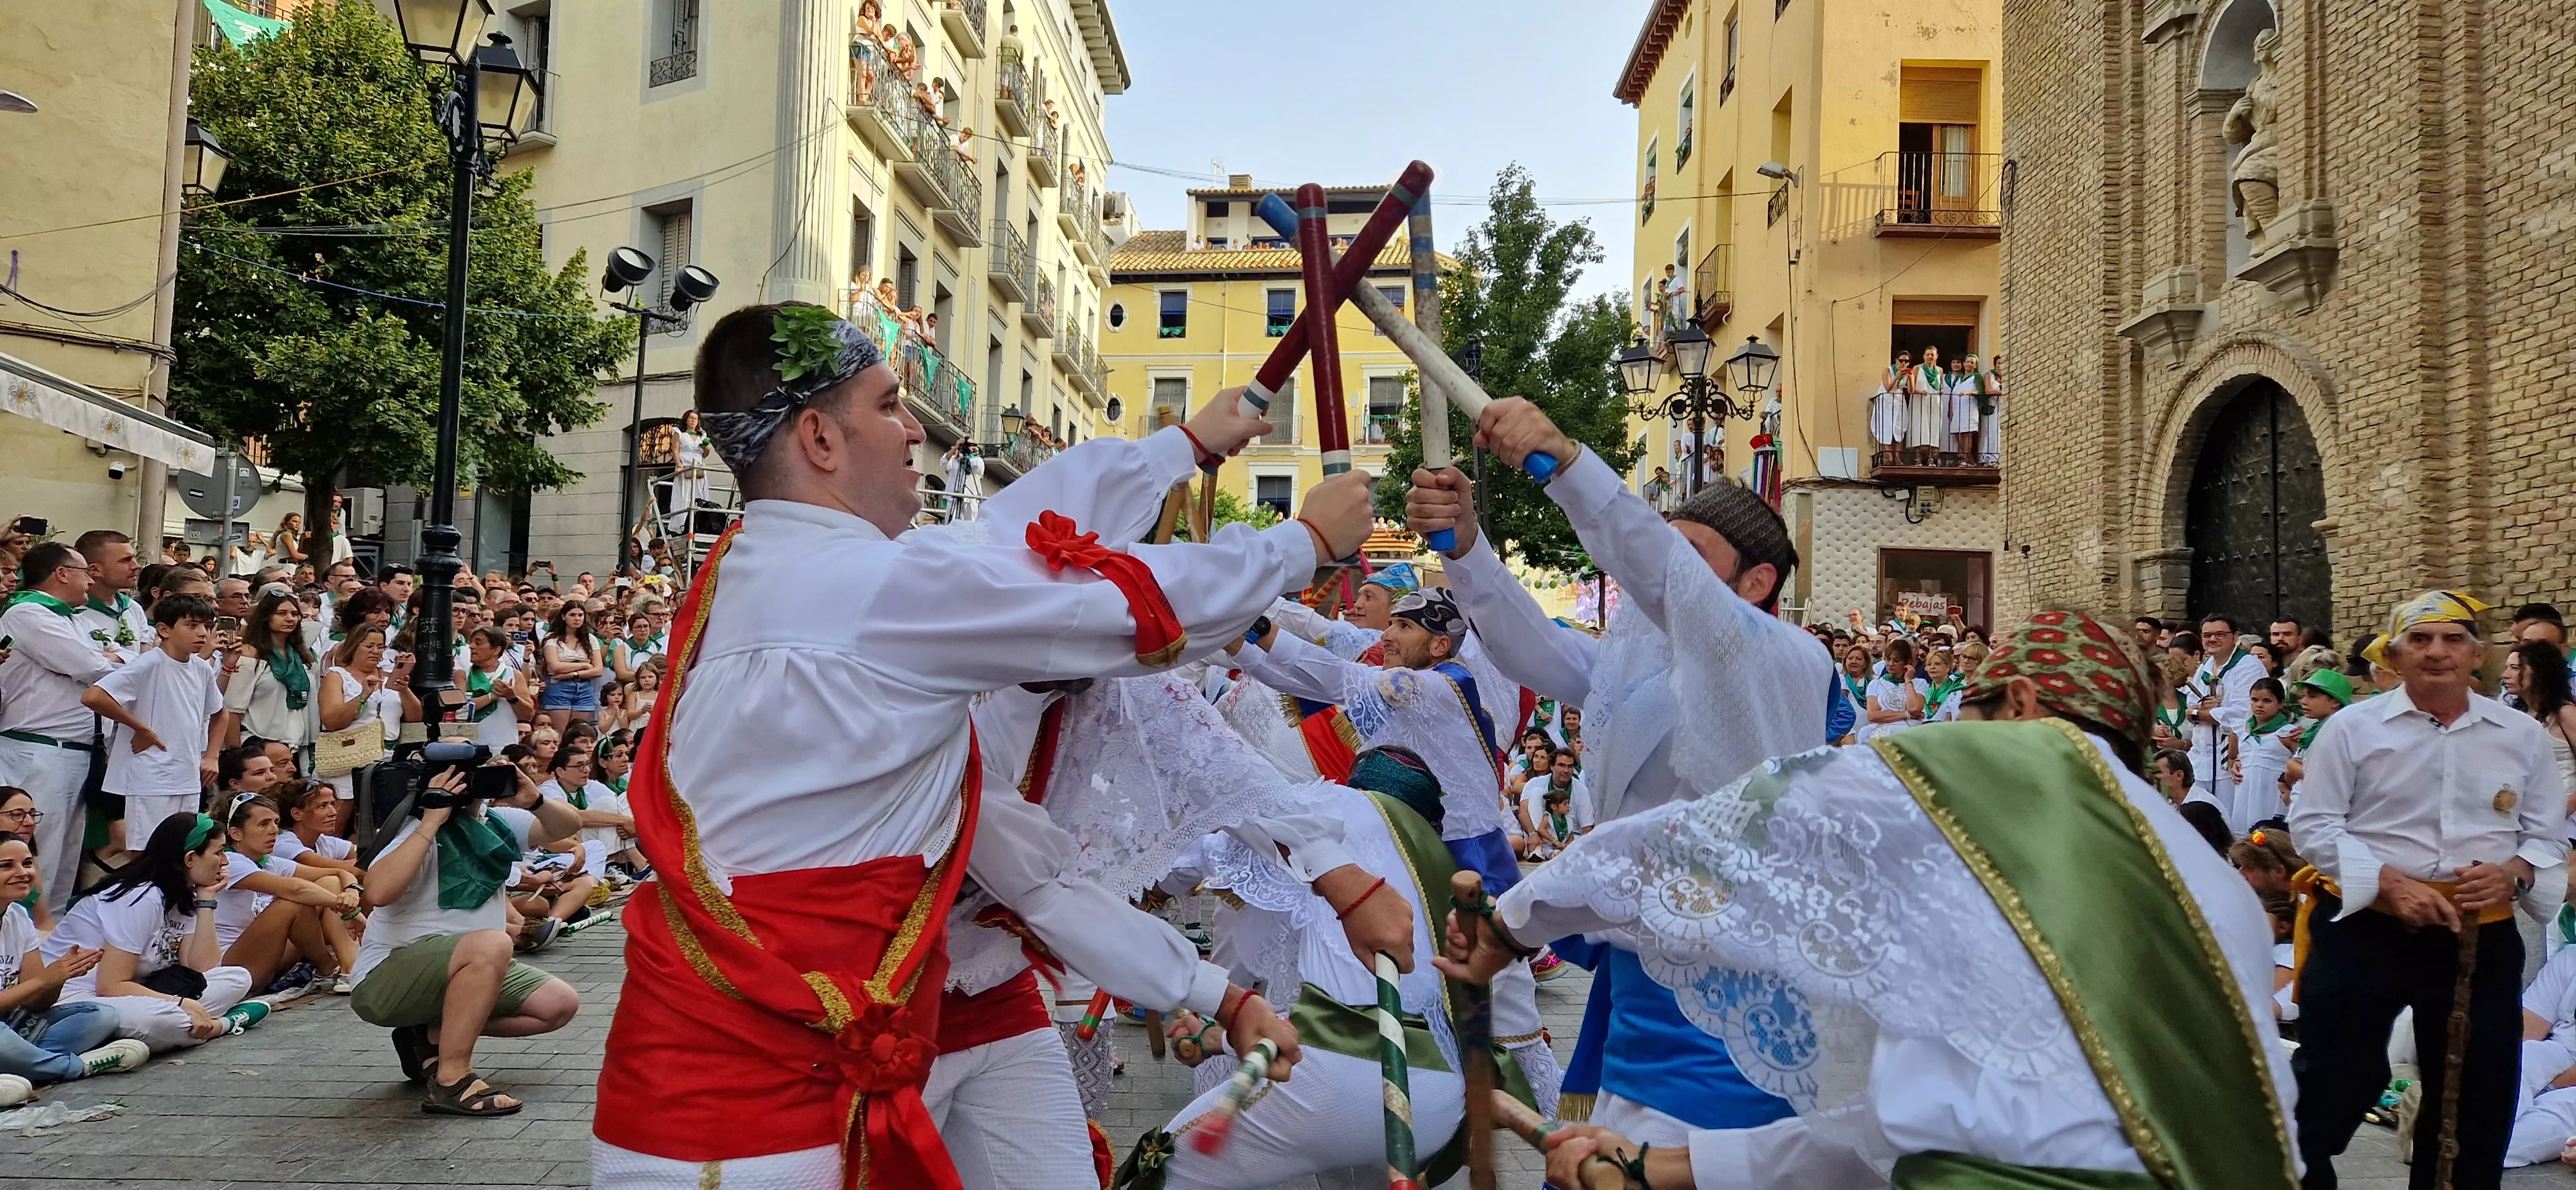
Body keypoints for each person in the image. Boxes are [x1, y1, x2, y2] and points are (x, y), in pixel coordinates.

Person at [590, 301, 1370, 1185]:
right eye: (889, 406)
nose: (917, 433)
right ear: (817, 437)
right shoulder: (876, 589)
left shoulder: (763, 569)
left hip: (761, 1050)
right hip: (741, 1110)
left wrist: (1180, 449)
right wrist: (1300, 546)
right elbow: (1123, 606)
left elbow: (1004, 539)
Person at [1443, 609, 2296, 1190]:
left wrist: (1512, 927)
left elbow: (1693, 841)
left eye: (1973, 708)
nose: (1959, 732)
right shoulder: (2207, 875)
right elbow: (1895, 1131)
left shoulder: (1982, 783)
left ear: (2024, 707)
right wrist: (1656, 1169)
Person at [1406, 397, 1829, 1146]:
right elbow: (1530, 647)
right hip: (1638, 978)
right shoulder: (1641, 666)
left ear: (1757, 583)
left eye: (1690, 559)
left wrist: (1562, 464)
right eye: (1666, 550)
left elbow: (1658, 575)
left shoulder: (1789, 659)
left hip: (1734, 992)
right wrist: (1464, 547)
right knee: (1603, 1157)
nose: (1657, 577)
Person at [2289, 591, 2568, 1190]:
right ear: (2394, 654)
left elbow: (2546, 835)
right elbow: (2314, 825)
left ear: (2478, 655)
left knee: (2476, 1092)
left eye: (2452, 639)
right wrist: (2389, 884)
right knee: (2335, 1077)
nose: (2437, 652)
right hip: (2365, 925)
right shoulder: (2351, 728)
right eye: (2420, 639)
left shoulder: (2520, 736)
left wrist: (2513, 872)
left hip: (2476, 934)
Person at [352, 763, 583, 1116]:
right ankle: (452, 1080)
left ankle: (429, 1037)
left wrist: (535, 800)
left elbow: (568, 826)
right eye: (460, 770)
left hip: (468, 965)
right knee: (494, 943)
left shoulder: (495, 821)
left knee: (558, 1004)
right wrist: (431, 821)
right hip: (387, 977)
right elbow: (379, 892)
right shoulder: (415, 828)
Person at [44, 813, 256, 1053]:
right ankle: (224, 1024)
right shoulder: (141, 896)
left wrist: (206, 901)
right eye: (218, 852)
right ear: (189, 859)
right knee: (166, 1020)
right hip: (80, 998)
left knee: (238, 977)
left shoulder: (182, 894)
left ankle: (162, 1034)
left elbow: (202, 969)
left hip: (136, 992)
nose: (225, 861)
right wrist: (180, 1003)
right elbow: (111, 986)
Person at [0, 544, 113, 916]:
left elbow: (111, 658)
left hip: (76, 751)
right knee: (35, 853)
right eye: (85, 570)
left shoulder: (71, 618)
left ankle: (52, 943)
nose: (91, 578)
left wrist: (109, 659)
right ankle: (23, 943)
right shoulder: (28, 612)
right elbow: (94, 666)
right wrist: (106, 660)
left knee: (66, 856)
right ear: (61, 573)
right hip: (40, 750)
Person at [0, 832, 148, 1099]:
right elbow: (34, 986)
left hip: (12, 1027)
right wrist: (45, 980)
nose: (22, 873)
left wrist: (60, 976)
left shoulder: (19, 916)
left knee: (101, 1016)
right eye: (6, 866)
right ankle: (78, 1067)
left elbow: (36, 1002)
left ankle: (23, 1066)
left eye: (27, 863)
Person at [81, 594, 224, 847]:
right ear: (164, 630)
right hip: (151, 777)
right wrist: (139, 727)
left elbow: (219, 712)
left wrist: (212, 755)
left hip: (188, 775)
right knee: (148, 849)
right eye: (192, 626)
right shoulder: (149, 664)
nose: (202, 633)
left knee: (185, 847)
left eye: (207, 626)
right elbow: (94, 696)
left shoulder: (200, 668)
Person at [210, 791, 358, 992]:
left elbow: (339, 872)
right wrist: (350, 909)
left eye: (276, 822)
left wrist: (351, 890)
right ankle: (328, 967)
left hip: (267, 956)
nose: (274, 831)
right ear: (236, 834)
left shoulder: (269, 861)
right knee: (293, 902)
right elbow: (296, 890)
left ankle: (351, 969)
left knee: (329, 882)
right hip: (233, 968)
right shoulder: (230, 861)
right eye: (264, 824)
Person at [218, 588, 317, 771]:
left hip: (294, 747)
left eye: (295, 614)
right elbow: (232, 710)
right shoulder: (250, 654)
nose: (290, 618)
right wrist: (236, 758)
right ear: (266, 617)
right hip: (258, 747)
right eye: (281, 613)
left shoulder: (303, 655)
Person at [2187, 612, 2259, 821]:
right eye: (2207, 635)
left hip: (2229, 757)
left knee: (2228, 817)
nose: (2212, 640)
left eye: (2220, 634)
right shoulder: (2205, 668)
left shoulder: (2248, 666)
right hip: (2202, 757)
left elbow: (2241, 712)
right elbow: (2189, 708)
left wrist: (2201, 713)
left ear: (2235, 637)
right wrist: (2203, 712)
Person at [2505, 641, 2576, 839]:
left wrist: (2561, 811)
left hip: (2566, 818)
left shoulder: (2565, 714)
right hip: (2526, 816)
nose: (2505, 675)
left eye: (2515, 668)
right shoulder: (2516, 715)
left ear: (2538, 672)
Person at [314, 624, 392, 798]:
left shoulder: (387, 676)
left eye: (380, 647)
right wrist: (362, 696)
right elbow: (331, 721)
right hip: (346, 762)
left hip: (381, 762)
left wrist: (404, 689)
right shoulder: (337, 676)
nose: (375, 651)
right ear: (354, 646)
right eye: (369, 646)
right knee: (337, 822)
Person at [2230, 676, 2298, 833]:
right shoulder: (2240, 729)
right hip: (2245, 791)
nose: (2259, 705)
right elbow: (2233, 757)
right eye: (2254, 700)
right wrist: (2234, 765)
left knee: (2270, 835)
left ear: (2281, 704)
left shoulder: (2289, 733)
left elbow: (2302, 761)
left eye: (2267, 701)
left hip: (2272, 792)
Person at [71, 530, 148, 659]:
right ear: (95, 570)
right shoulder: (72, 612)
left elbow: (144, 663)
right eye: (126, 560)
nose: (136, 566)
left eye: (134, 559)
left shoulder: (133, 608)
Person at [536, 603, 603, 732]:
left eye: (580, 615)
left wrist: (573, 674)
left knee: (579, 733)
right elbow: (556, 666)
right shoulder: (552, 638)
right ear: (563, 617)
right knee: (560, 733)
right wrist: (584, 665)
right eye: (572, 615)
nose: (577, 618)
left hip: (584, 688)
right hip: (558, 686)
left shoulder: (590, 639)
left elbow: (598, 670)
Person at [1861, 636, 1927, 740]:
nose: (1890, 664)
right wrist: (1907, 715)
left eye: (1896, 661)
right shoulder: (1876, 684)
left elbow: (1914, 708)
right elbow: (1873, 716)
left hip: (1911, 733)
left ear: (1906, 662)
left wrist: (1908, 680)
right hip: (1884, 733)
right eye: (1888, 659)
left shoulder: (1920, 683)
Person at [1905, 344, 1946, 467]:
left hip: (1934, 403)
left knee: (1934, 428)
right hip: (1919, 402)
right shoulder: (1917, 369)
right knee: (1919, 427)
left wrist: (1942, 390)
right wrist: (1920, 392)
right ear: (1923, 356)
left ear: (1937, 356)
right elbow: (1909, 387)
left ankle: (1932, 457)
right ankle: (1917, 457)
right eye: (1927, 354)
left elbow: (1941, 386)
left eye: (1932, 355)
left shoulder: (1940, 370)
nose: (1930, 357)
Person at [1870, 350, 1910, 465]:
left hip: (1899, 401)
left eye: (1906, 361)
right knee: (1886, 427)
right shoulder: (1888, 370)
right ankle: (1888, 456)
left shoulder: (1907, 374)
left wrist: (1911, 378)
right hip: (1886, 401)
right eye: (1901, 360)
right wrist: (1897, 376)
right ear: (1896, 361)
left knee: (1899, 427)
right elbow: (1887, 388)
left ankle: (1897, 457)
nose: (1903, 363)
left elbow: (1911, 390)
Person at [668, 408, 712, 516]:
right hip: (685, 463)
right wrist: (679, 465)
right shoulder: (679, 433)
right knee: (684, 493)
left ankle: (699, 520)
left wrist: (707, 450)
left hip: (698, 465)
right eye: (691, 418)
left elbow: (704, 456)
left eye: (696, 419)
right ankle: (682, 520)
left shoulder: (702, 435)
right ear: (686, 420)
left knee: (699, 492)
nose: (693, 421)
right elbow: (675, 449)